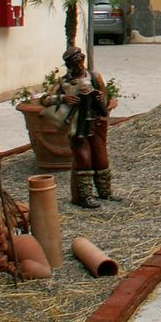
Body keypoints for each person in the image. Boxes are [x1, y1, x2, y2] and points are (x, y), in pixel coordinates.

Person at [43, 46, 119, 207]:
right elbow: (45, 99)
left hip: (95, 121)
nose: (79, 67)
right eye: (74, 65)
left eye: (80, 63)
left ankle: (105, 192)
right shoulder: (64, 82)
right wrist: (63, 98)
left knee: (101, 157)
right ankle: (85, 196)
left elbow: (105, 97)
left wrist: (100, 98)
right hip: (77, 124)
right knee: (84, 158)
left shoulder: (94, 77)